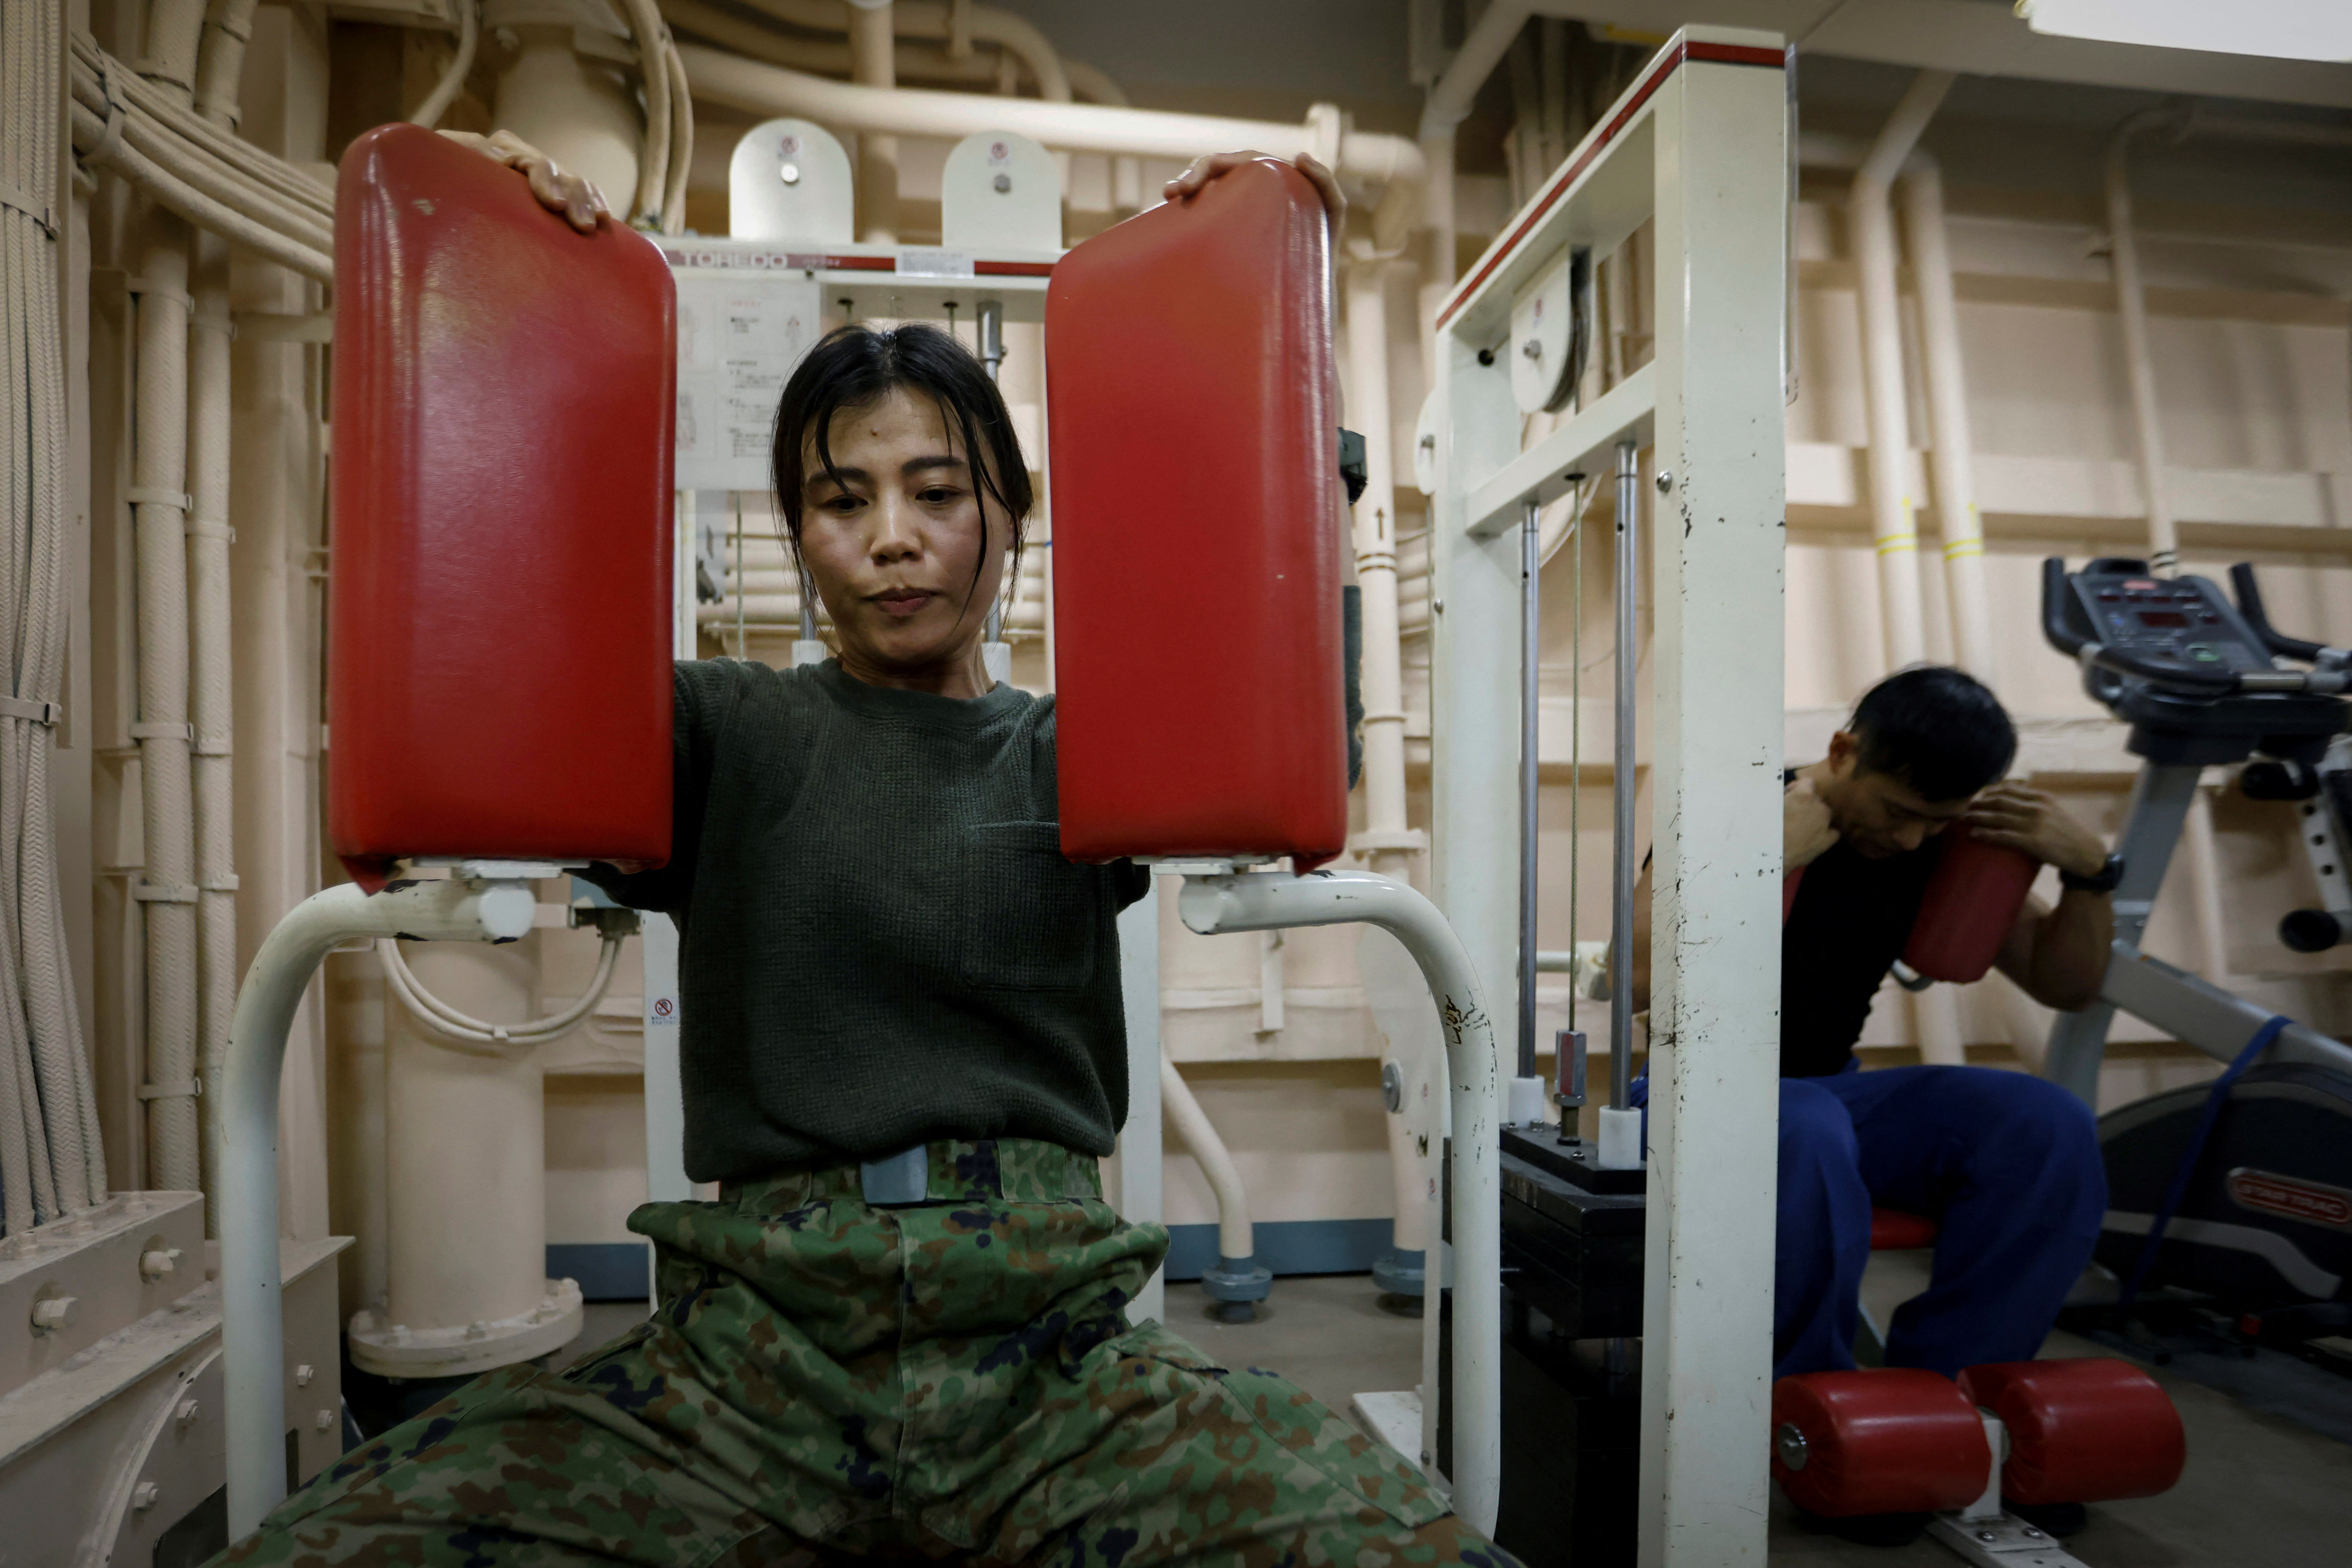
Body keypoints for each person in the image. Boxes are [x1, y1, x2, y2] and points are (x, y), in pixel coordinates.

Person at [217, 138, 1514, 1568]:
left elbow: (1269, 688)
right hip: (746, 1367)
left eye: (938, 492)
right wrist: (507, 283)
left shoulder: (1089, 748)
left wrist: (1250, 307)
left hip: (1052, 1361)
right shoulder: (720, 730)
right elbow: (499, 660)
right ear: (803, 533)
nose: (892, 540)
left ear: (1010, 514)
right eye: (843, 502)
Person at [1632, 668, 2114, 1511]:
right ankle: (1817, 1416)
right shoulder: (1739, 810)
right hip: (1694, 1095)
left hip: (1832, 1094)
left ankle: (1951, 1399)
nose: (1911, 838)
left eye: (1938, 819)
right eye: (1897, 810)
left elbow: (2066, 984)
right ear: (1842, 750)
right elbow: (1639, 978)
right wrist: (1762, 860)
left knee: (2047, 1123)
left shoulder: (1933, 845)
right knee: (1808, 1127)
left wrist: (2092, 876)